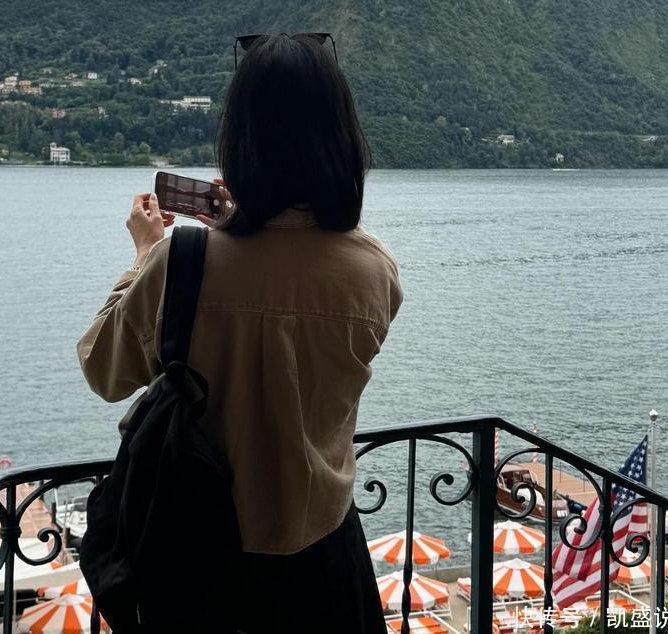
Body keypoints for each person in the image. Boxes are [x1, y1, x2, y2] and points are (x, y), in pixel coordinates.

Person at [77, 33, 402, 632]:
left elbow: (104, 370)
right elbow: (290, 298)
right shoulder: (374, 270)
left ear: (242, 139)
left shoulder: (183, 262)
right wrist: (245, 222)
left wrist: (146, 255)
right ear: (342, 138)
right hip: (327, 561)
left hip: (202, 562)